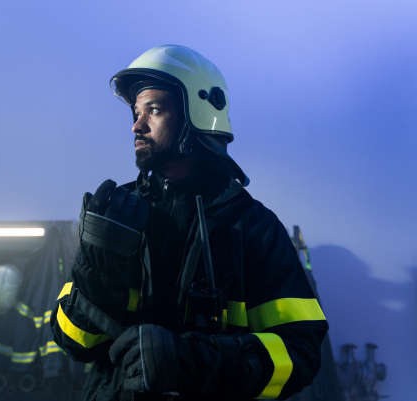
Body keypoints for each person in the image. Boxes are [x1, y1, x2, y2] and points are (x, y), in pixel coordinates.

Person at [50, 44, 328, 401]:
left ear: (197, 115)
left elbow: (300, 355)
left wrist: (195, 363)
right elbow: (73, 343)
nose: (137, 125)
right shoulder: (118, 216)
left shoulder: (253, 227)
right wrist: (97, 276)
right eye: (136, 112)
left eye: (154, 110)